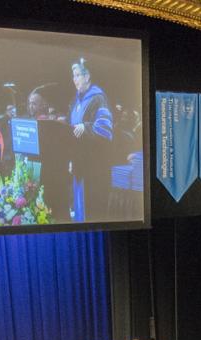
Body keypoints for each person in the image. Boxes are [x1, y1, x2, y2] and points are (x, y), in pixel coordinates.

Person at [67, 57, 114, 222]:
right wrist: (71, 159)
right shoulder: (75, 103)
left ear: (87, 77)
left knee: (93, 209)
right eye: (73, 76)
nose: (75, 79)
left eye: (78, 75)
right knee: (80, 204)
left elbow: (105, 130)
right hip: (80, 163)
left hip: (95, 165)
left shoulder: (98, 98)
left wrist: (85, 127)